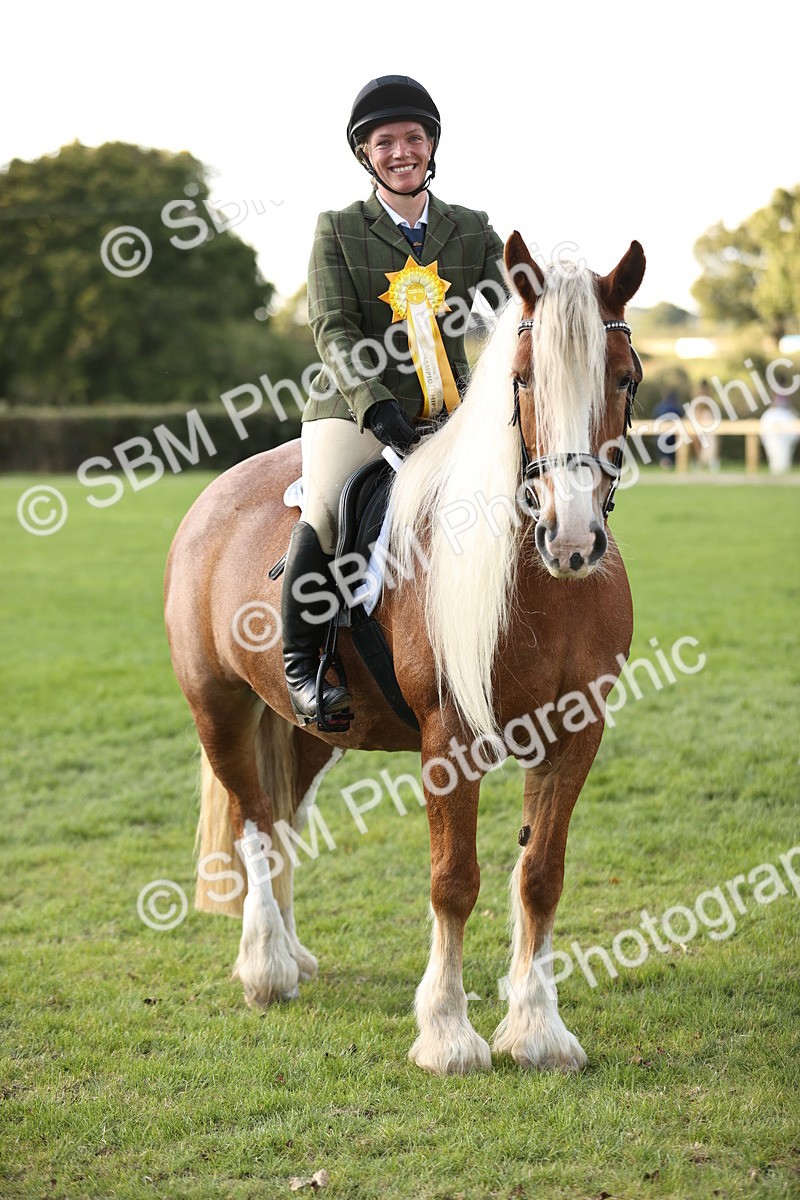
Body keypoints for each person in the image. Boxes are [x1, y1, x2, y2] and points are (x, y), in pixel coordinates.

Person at [281, 75, 508, 723]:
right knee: (326, 510)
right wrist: (377, 407)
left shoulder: (470, 230)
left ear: (432, 145)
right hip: (354, 408)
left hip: (450, 408)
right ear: (365, 155)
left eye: (414, 137)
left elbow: (515, 301)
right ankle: (305, 665)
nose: (401, 151)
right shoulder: (339, 229)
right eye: (386, 142)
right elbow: (332, 326)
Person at [759, 389, 800, 474]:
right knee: (775, 456)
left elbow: (795, 431)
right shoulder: (770, 414)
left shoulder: (789, 414)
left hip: (785, 439)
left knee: (783, 457)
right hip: (772, 438)